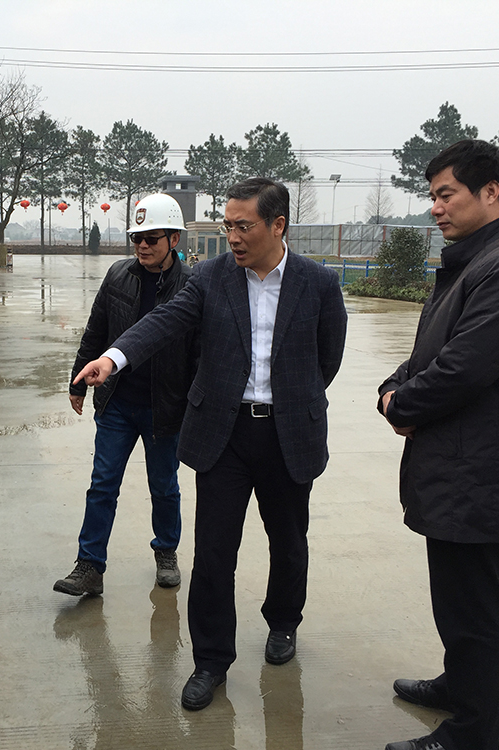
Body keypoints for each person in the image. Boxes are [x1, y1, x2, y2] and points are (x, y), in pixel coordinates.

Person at [74, 177, 347, 710]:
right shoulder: (210, 278)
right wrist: (113, 358)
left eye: (244, 227)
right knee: (215, 552)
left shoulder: (318, 283)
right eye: (228, 226)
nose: (233, 237)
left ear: (278, 225)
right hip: (225, 432)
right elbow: (163, 321)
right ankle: (211, 661)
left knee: (289, 541)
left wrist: (294, 399)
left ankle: (283, 623)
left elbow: (327, 358)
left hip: (288, 432)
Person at [378, 140, 499, 750]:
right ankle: (460, 684)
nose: (435, 207)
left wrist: (403, 405)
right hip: (462, 460)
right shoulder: (478, 258)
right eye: (432, 196)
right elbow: (432, 349)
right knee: (456, 595)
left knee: (473, 605)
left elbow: (463, 368)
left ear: (490, 192)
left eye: (445, 194)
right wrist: (393, 388)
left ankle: (473, 734)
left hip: (484, 467)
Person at [55, 193, 199, 597]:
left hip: (164, 407)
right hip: (117, 401)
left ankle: (166, 552)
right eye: (137, 238)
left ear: (174, 239)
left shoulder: (191, 286)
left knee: (164, 487)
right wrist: (77, 382)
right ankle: (90, 566)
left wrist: (194, 403)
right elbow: (95, 331)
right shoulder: (118, 275)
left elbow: (198, 352)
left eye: (152, 238)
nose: (143, 246)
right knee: (102, 484)